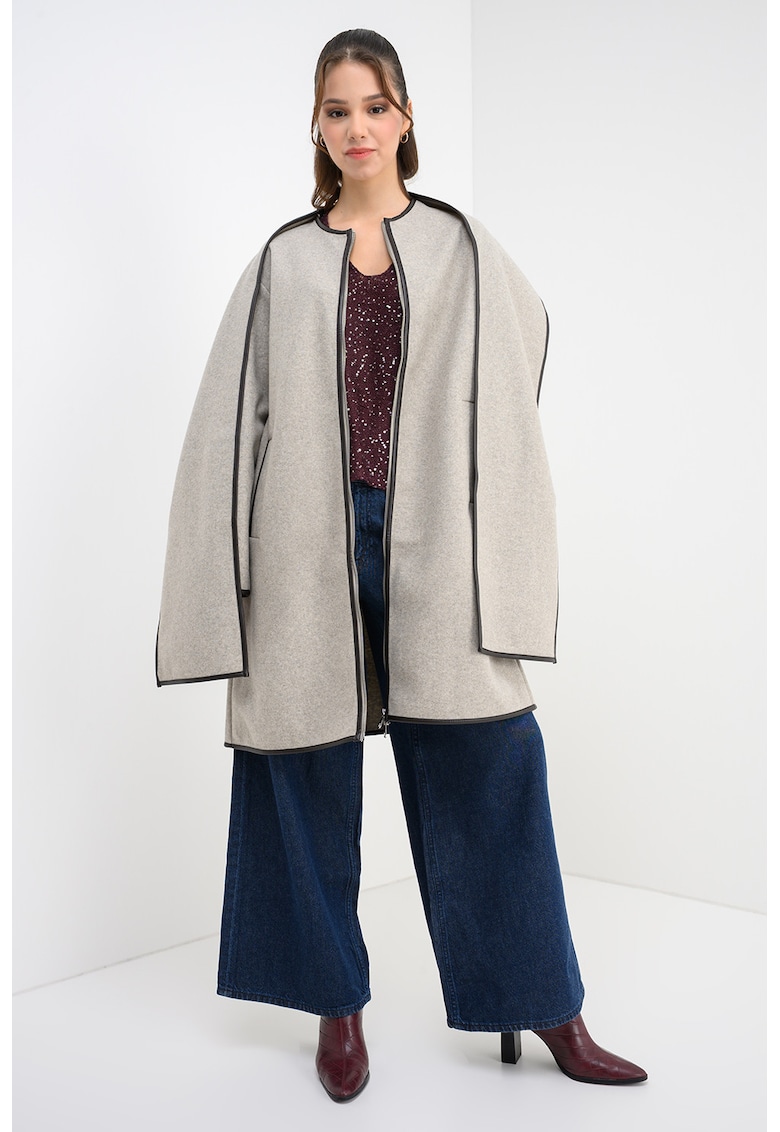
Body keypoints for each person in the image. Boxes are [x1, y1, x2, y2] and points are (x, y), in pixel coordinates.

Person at [156, 28, 648, 1103]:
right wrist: (222, 577)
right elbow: (229, 419)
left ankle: (544, 1002)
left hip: (437, 542)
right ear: (317, 126)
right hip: (305, 541)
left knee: (493, 759)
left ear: (405, 115)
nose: (357, 128)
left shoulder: (461, 244)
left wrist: (471, 459)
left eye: (374, 106)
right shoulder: (282, 260)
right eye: (337, 110)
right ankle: (336, 1004)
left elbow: (525, 340)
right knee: (300, 768)